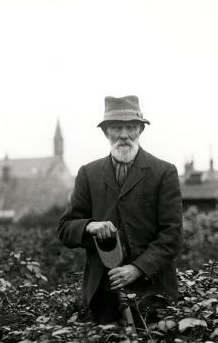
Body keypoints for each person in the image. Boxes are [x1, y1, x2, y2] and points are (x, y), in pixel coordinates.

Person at [57, 95, 183, 324]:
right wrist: (89, 226)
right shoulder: (89, 174)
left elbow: (172, 236)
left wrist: (137, 268)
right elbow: (65, 228)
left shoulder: (164, 173)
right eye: (116, 127)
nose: (124, 135)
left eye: (131, 127)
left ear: (140, 131)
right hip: (103, 299)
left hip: (153, 295)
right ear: (106, 132)